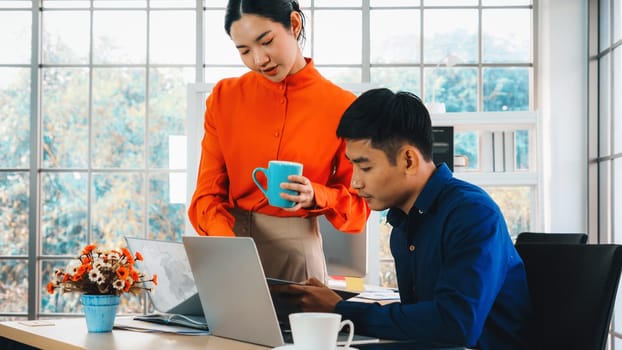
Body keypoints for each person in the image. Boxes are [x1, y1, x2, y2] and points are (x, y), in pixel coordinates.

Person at [274, 88, 531, 349]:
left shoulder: (472, 213)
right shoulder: (403, 223)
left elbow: (454, 325)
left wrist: (342, 310)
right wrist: (337, 305)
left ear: (408, 160)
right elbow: (422, 318)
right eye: (352, 167)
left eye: (365, 167)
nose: (354, 182)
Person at [187, 0, 369, 283]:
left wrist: (316, 195)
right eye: (244, 50)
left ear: (294, 25)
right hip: (230, 252)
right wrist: (229, 243)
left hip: (298, 260)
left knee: (298, 329)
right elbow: (206, 196)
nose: (259, 60)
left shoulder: (341, 106)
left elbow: (358, 208)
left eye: (266, 41)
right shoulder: (224, 98)